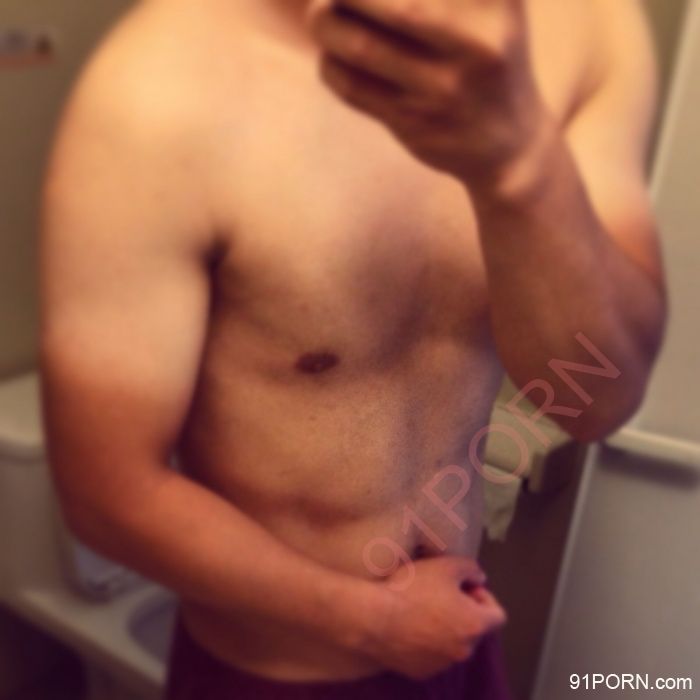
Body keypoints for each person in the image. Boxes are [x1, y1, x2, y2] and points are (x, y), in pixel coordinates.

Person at [39, 0, 667, 697]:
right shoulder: (155, 91)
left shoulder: (586, 27)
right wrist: (375, 623)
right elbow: (107, 492)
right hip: (274, 674)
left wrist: (519, 164)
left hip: (458, 636)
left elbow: (599, 399)